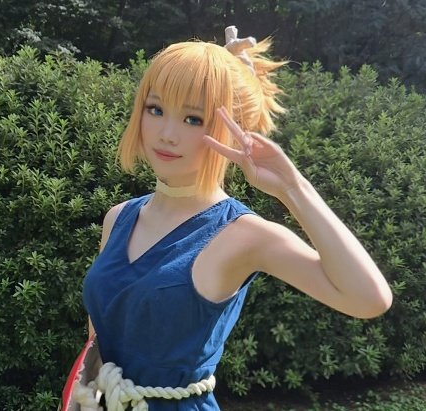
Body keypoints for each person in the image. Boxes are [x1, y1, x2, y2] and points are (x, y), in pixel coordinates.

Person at [78, 26, 393, 411]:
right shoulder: (119, 218)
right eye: (155, 109)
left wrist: (292, 188)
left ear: (232, 129)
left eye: (194, 119)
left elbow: (369, 299)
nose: (167, 133)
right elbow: (97, 342)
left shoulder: (243, 235)